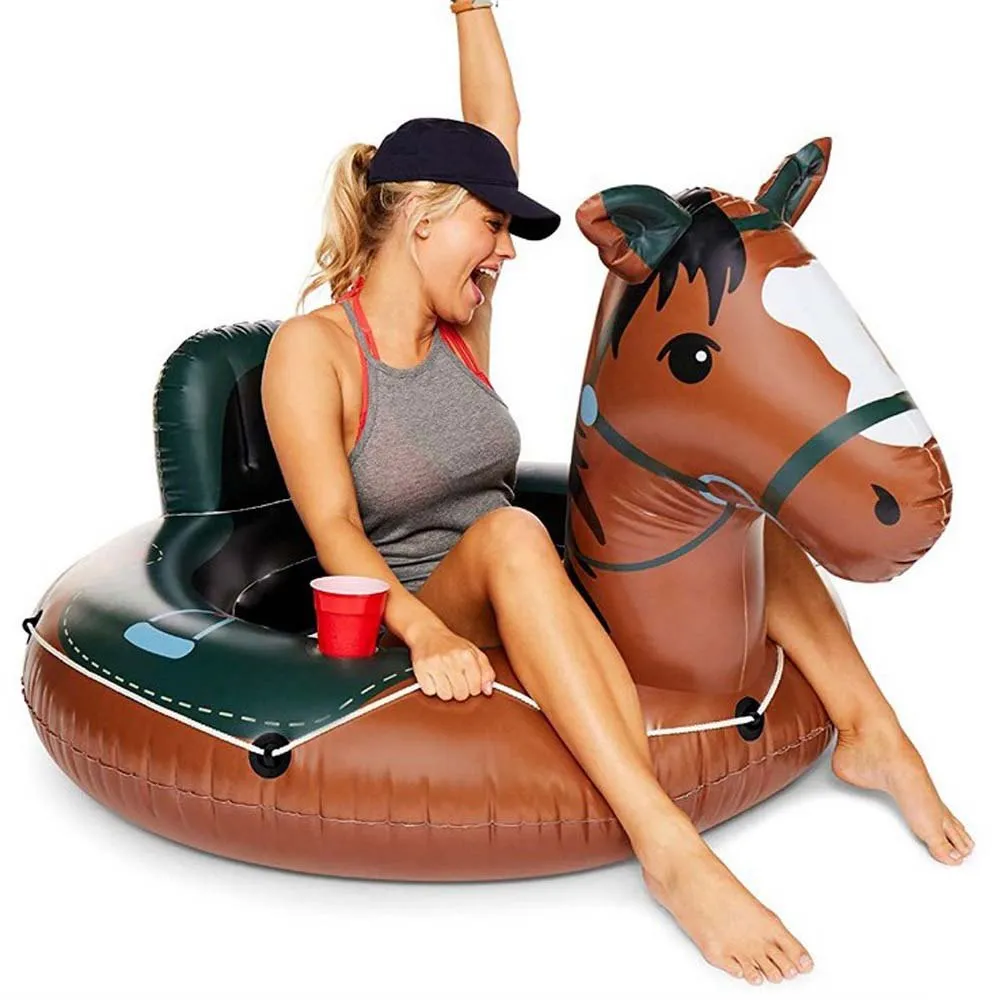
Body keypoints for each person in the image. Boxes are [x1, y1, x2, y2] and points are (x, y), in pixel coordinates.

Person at [261, 0, 974, 988]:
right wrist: (424, 636)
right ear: (422, 220)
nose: (506, 250)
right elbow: (334, 527)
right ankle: (668, 848)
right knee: (512, 535)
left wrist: (471, 6)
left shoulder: (462, 321)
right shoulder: (314, 352)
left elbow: (495, 130)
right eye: (490, 224)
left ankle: (874, 730)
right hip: (425, 602)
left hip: (533, 587)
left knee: (732, 505)